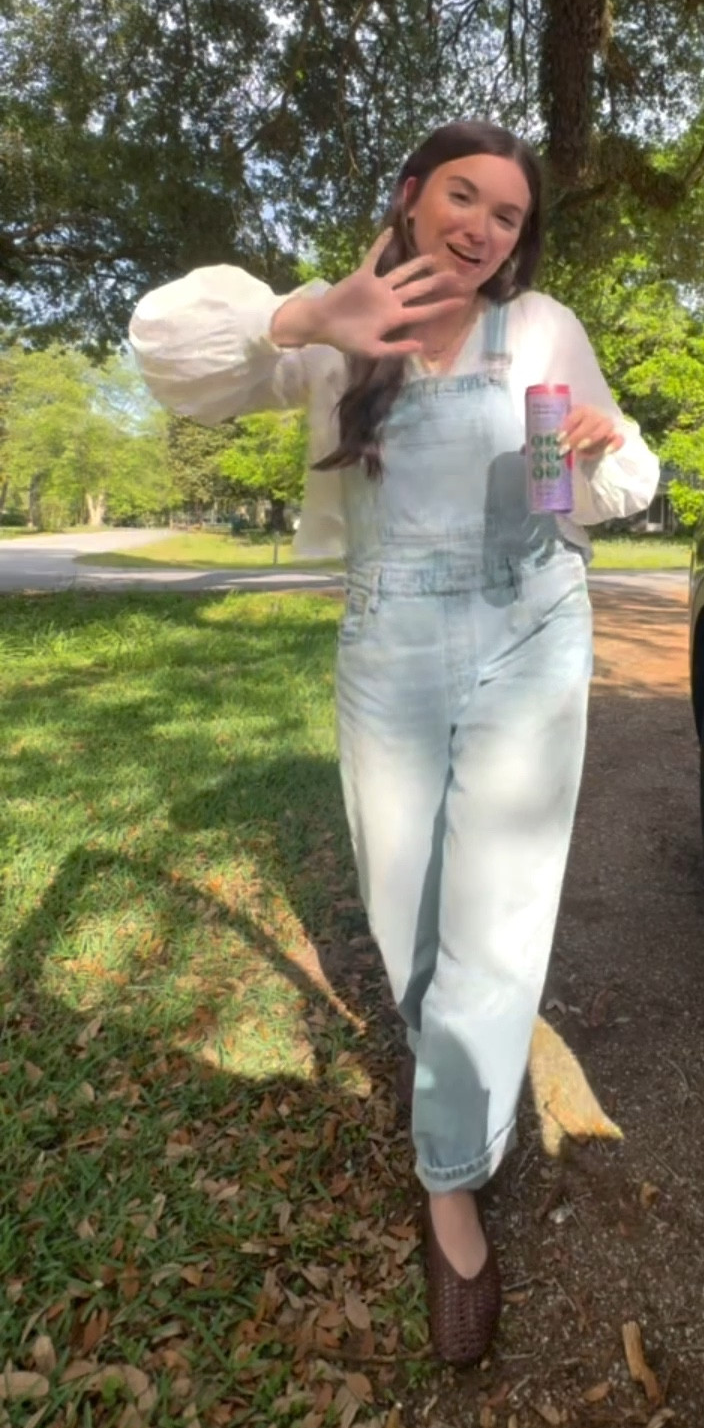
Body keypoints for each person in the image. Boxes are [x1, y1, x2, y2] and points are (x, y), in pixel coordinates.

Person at [129, 120, 660, 1365]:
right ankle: (460, 1091)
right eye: (463, 198)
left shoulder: (541, 330)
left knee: (498, 904)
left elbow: (623, 472)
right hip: (390, 646)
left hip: (535, 624)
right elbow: (163, 347)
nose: (482, 228)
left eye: (508, 217)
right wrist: (308, 316)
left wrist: (603, 444)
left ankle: (449, 1187)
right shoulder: (341, 318)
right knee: (404, 907)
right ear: (414, 197)